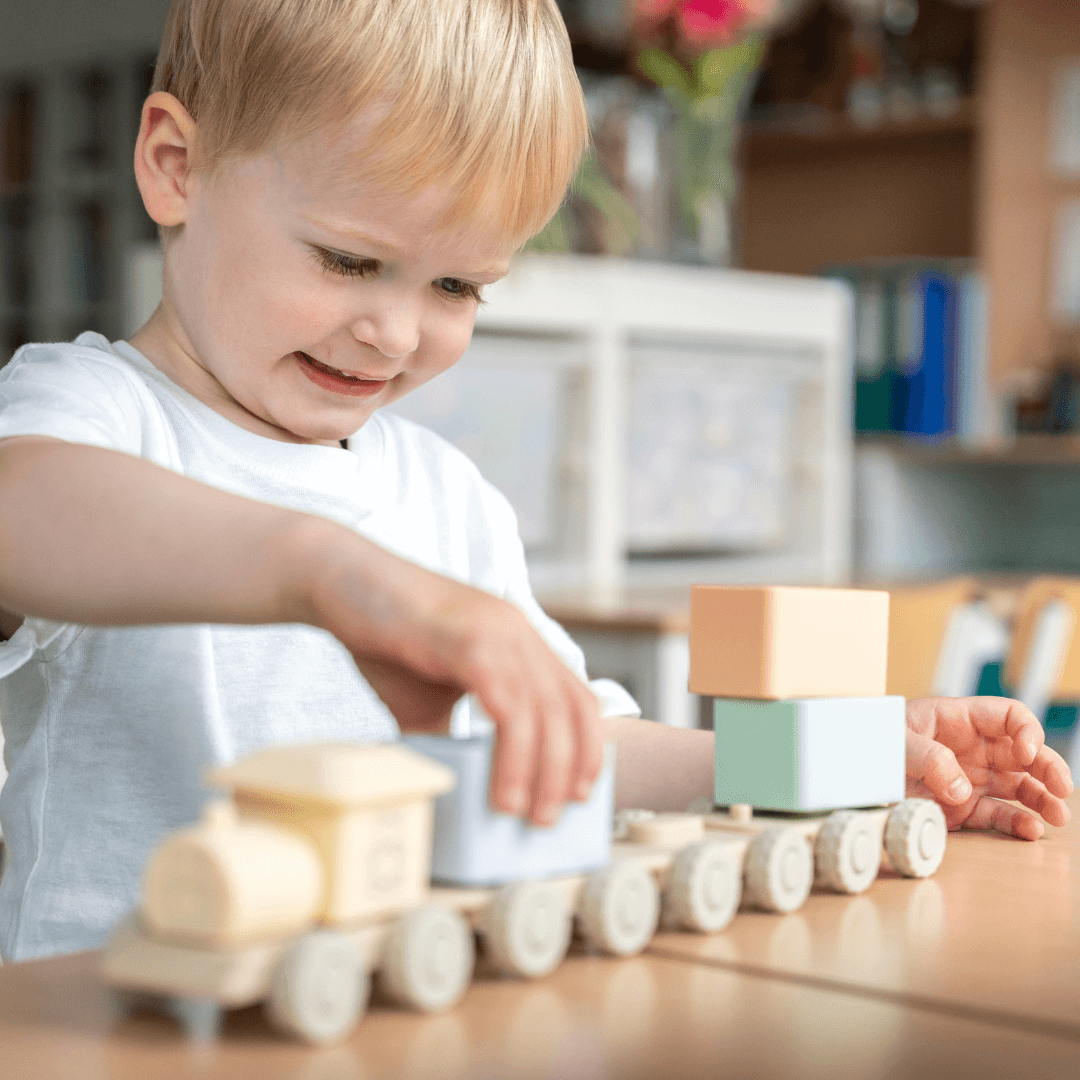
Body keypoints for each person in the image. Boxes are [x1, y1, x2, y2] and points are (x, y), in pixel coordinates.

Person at [0, 0, 1070, 963]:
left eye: (458, 285)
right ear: (175, 167)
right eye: (347, 260)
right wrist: (323, 570)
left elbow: (577, 749)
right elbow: (26, 507)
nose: (396, 333)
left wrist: (843, 758)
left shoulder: (444, 493)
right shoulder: (93, 412)